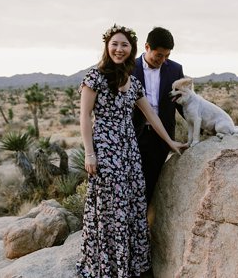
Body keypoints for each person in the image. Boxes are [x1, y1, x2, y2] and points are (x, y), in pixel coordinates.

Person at [75, 24, 186, 277]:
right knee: (109, 209)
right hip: (105, 150)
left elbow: (152, 116)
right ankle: (107, 266)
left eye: (124, 45)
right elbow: (84, 117)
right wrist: (89, 153)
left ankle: (129, 265)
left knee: (133, 206)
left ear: (131, 49)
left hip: (129, 151)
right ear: (107, 46)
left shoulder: (133, 82)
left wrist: (171, 142)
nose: (119, 49)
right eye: (115, 43)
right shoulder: (94, 77)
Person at [131, 27, 184, 204]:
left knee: (154, 184)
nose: (163, 60)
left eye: (167, 56)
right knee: (133, 183)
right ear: (147, 47)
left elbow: (181, 103)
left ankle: (147, 225)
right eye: (159, 55)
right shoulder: (129, 68)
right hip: (134, 135)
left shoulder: (175, 69)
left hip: (162, 137)